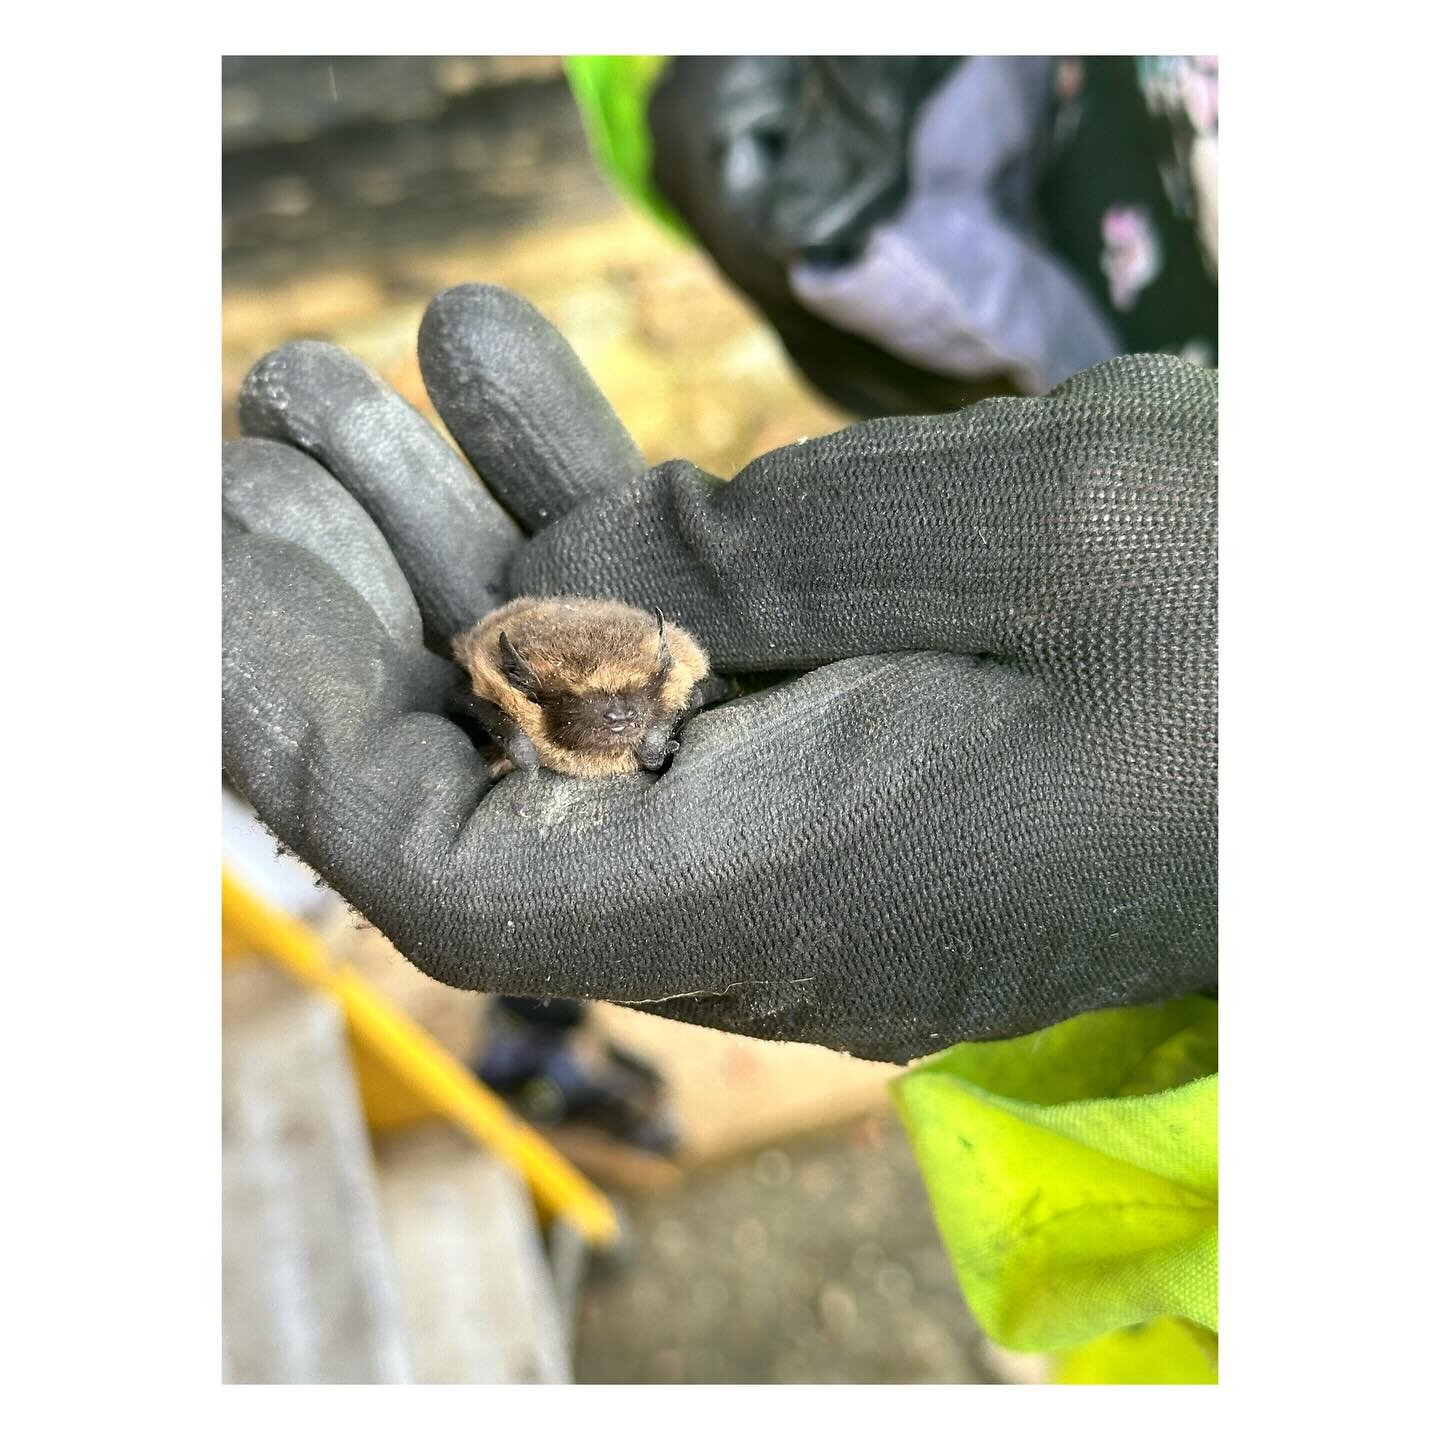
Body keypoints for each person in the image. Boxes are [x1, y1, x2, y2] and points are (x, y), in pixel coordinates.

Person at [222, 280, 1216, 1377]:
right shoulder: (518, 679)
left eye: (642, 717)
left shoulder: (666, 681)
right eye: (599, 722)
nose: (635, 739)